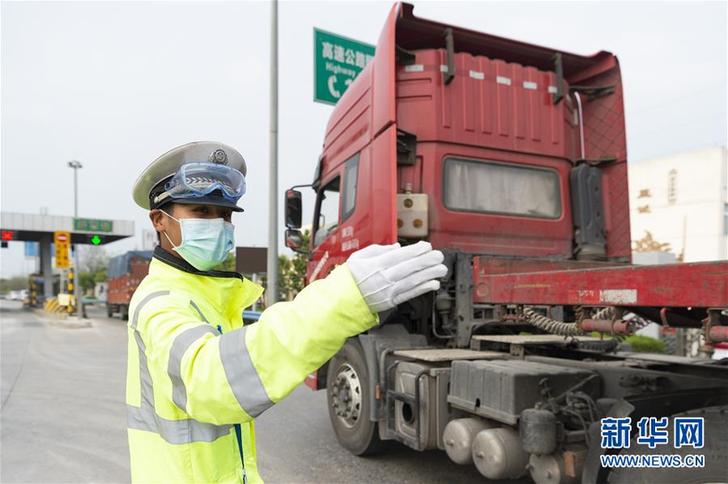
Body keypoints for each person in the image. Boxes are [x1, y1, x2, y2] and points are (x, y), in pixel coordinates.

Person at [127, 141, 447, 483]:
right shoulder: (159, 300)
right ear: (159, 219)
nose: (219, 224)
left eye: (226, 215)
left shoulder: (203, 296)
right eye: (202, 212)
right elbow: (214, 382)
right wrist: (342, 299)